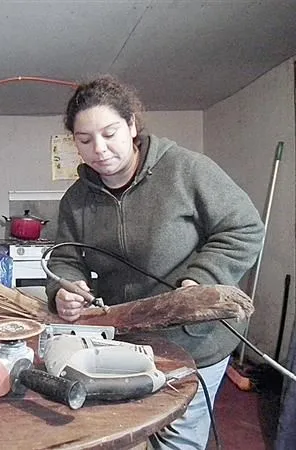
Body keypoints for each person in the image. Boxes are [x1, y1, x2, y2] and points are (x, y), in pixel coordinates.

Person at [46, 75, 264, 449]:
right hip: (125, 343)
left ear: (132, 125)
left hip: (197, 343)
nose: (99, 148)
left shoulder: (187, 170)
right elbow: (66, 258)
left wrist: (202, 281)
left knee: (178, 441)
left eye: (110, 132)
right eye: (85, 140)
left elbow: (243, 229)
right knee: (124, 433)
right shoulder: (75, 200)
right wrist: (64, 289)